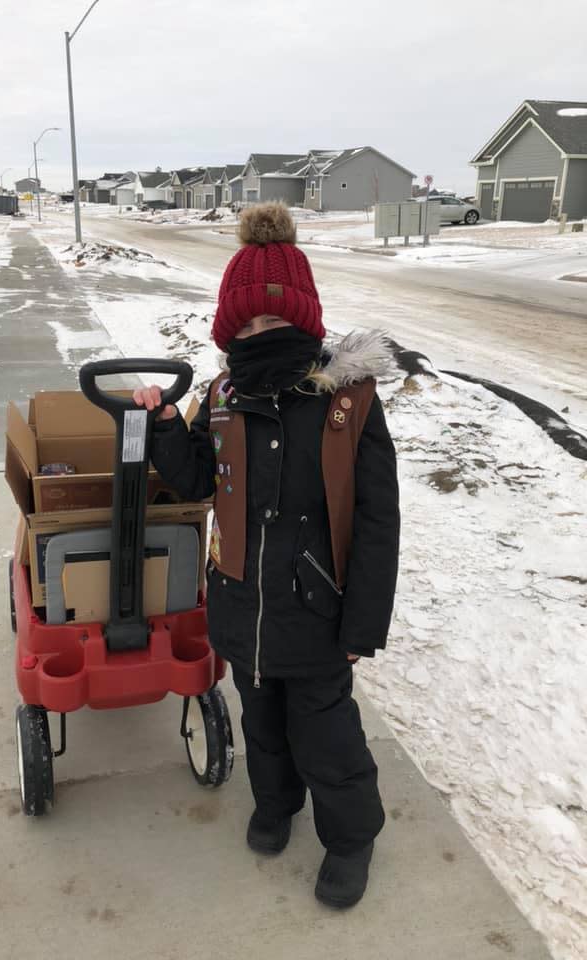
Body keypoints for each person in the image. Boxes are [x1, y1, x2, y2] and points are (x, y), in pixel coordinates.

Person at [133, 202, 400, 909]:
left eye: (275, 322)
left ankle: (350, 836)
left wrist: (362, 628)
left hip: (319, 616)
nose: (262, 334)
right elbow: (194, 482)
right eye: (248, 324)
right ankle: (276, 805)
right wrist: (165, 426)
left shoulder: (347, 404)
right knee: (262, 724)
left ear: (306, 321)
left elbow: (378, 522)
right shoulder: (221, 396)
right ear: (229, 328)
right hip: (241, 605)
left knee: (326, 735)